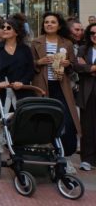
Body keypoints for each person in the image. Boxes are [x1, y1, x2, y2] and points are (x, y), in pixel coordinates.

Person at [31, 12, 80, 173]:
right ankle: (47, 156)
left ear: (59, 26)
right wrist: (39, 62)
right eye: (46, 22)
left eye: (53, 22)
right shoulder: (36, 42)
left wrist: (67, 63)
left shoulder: (67, 43)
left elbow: (73, 66)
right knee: (45, 121)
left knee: (67, 121)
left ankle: (66, 157)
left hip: (62, 87)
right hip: (42, 87)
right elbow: (28, 64)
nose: (49, 24)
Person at [0, 16, 36, 150]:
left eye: (8, 27)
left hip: (21, 90)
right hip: (2, 90)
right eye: (3, 27)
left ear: (16, 31)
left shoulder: (25, 49)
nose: (4, 29)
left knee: (20, 118)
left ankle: (19, 147)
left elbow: (30, 70)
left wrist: (23, 82)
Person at [75, 22, 96, 171]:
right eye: (92, 33)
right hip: (87, 93)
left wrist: (87, 67)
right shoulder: (83, 49)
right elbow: (77, 67)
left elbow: (83, 67)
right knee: (87, 127)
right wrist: (91, 68)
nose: (95, 36)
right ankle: (87, 159)